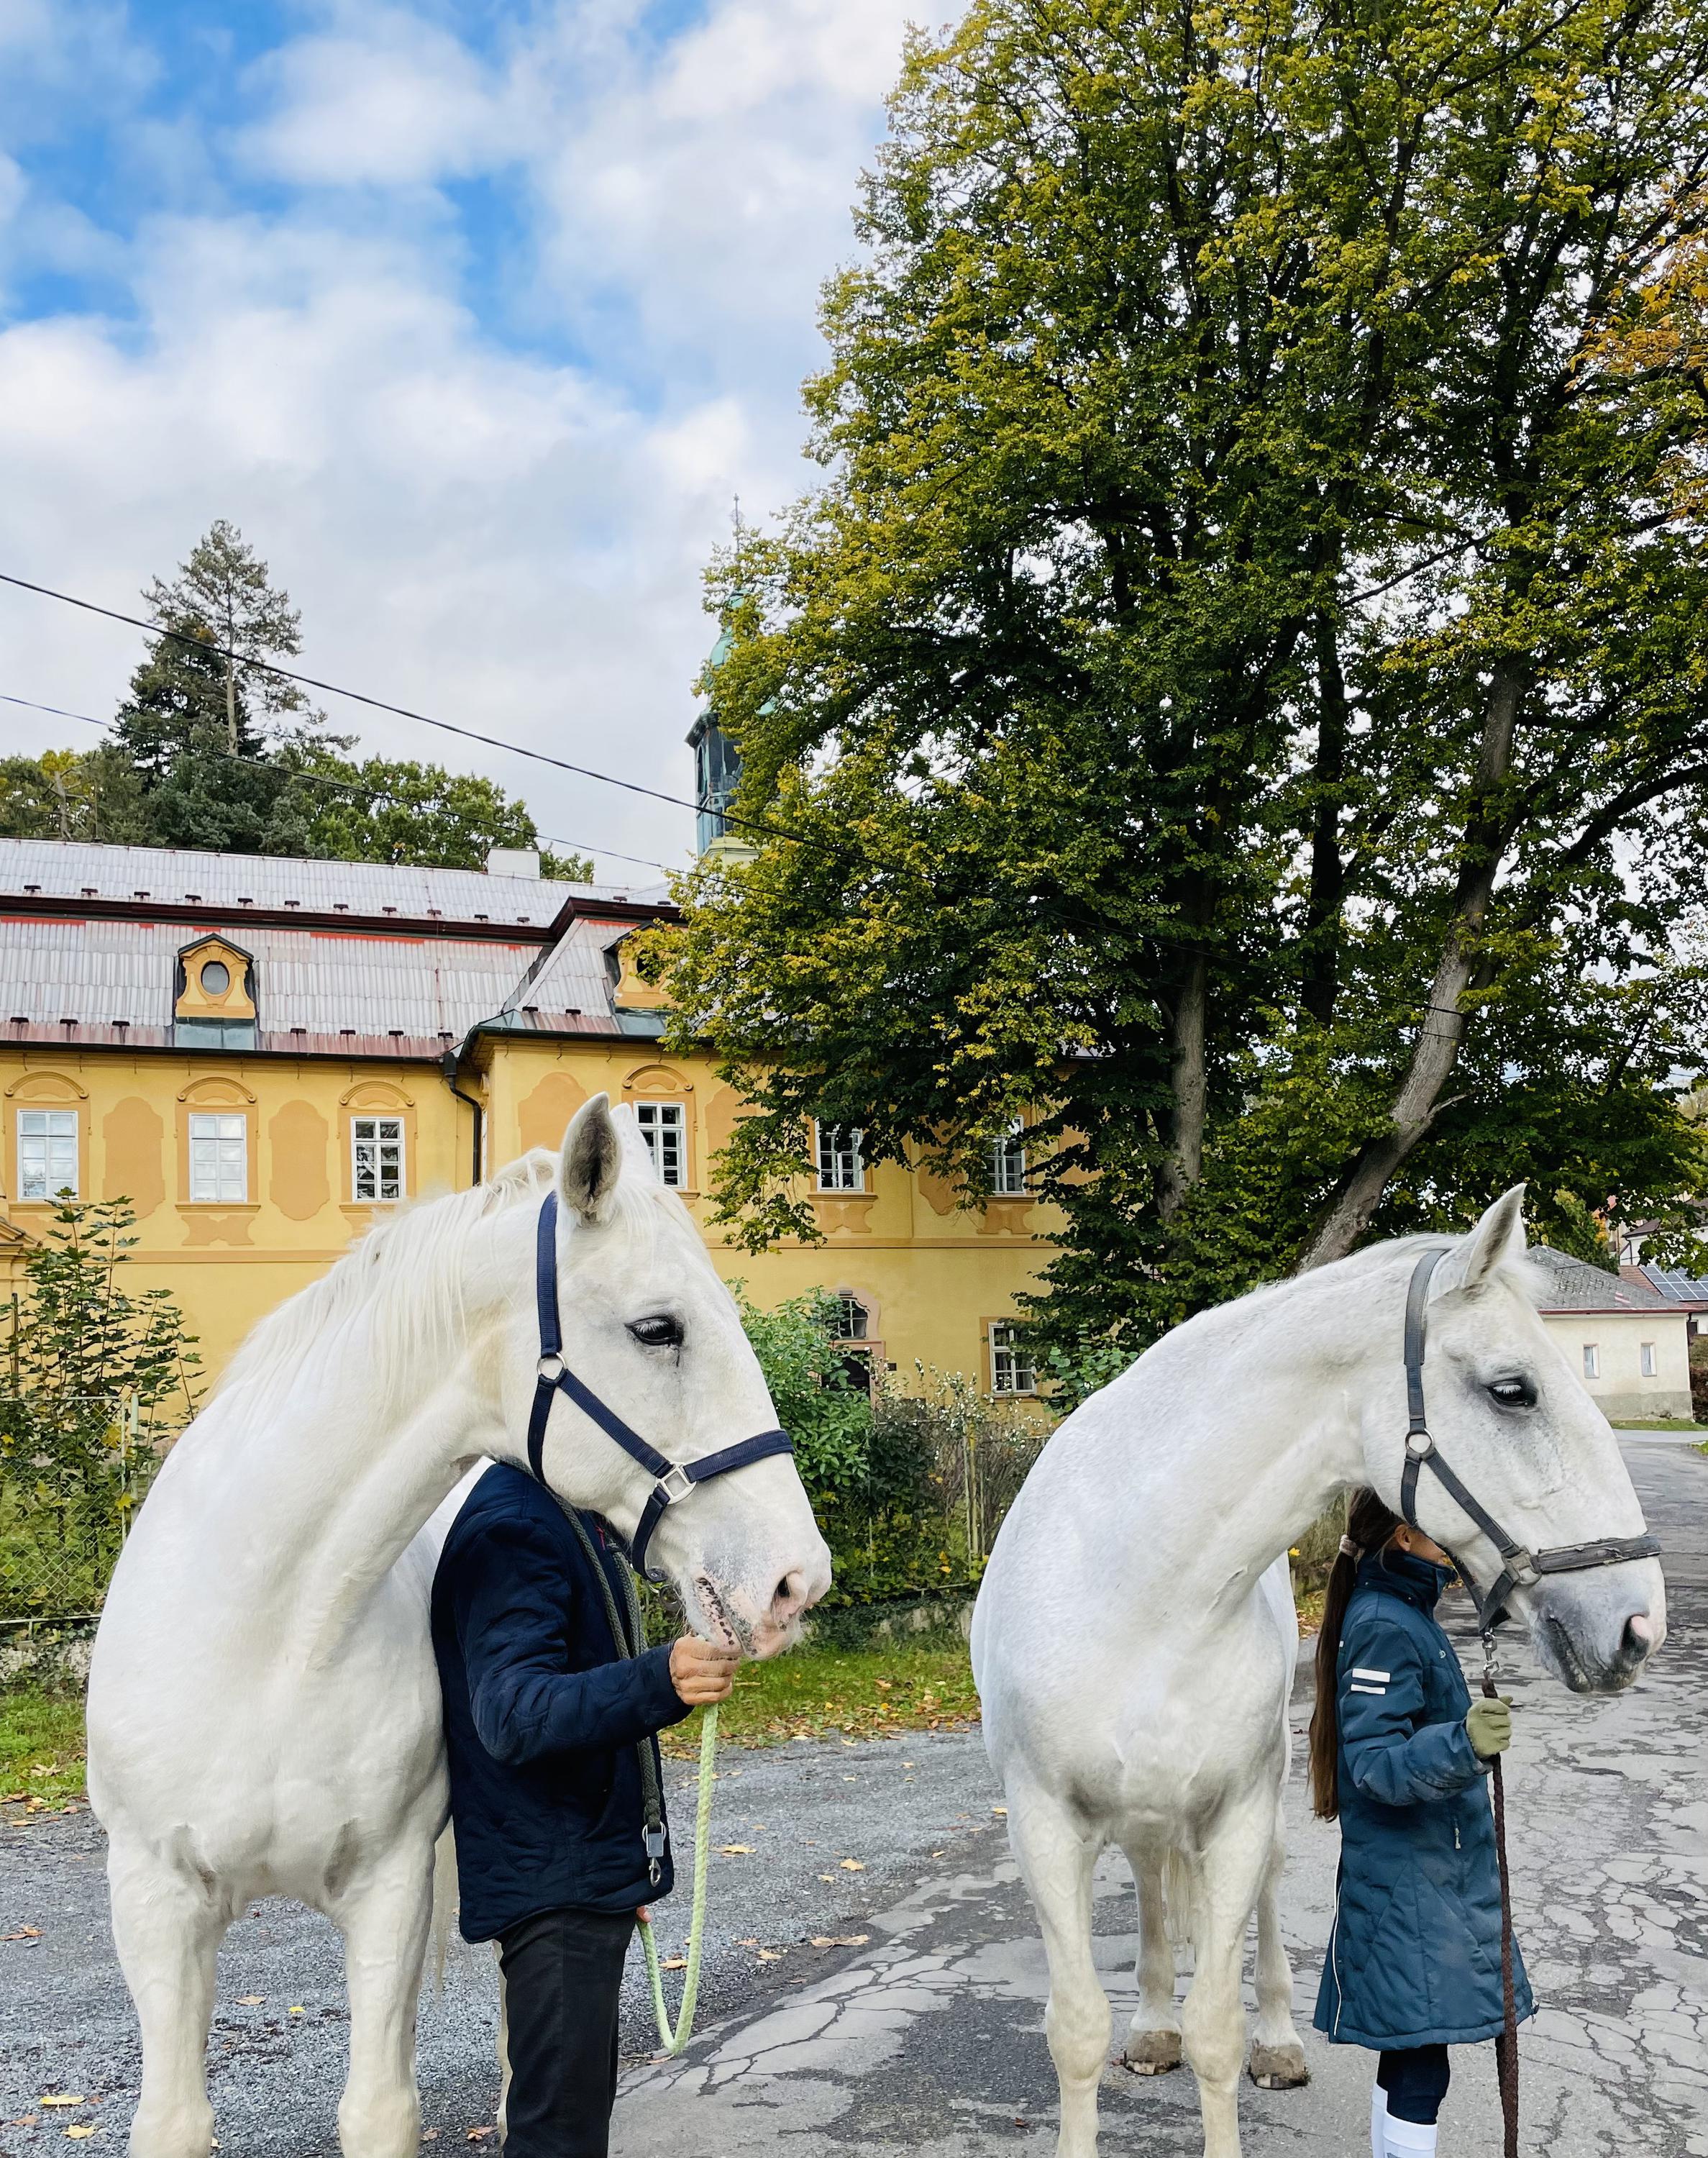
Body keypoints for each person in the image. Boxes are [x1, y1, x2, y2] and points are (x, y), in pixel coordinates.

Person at [430, 1460, 739, 2158]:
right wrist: (659, 1679)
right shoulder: (513, 1527)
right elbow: (511, 1713)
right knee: (558, 2138)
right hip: (554, 1887)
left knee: (572, 2126)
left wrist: (616, 1865)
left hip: (576, 1877)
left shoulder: (563, 1513)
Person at [1310, 1487, 1532, 2158]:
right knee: (1419, 2062)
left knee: (1410, 2050)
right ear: (1402, 1537)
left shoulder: (1403, 1609)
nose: (1457, 1545)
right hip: (1409, 1880)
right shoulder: (1385, 1620)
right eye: (1442, 1530)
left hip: (1427, 1872)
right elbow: (1374, 1764)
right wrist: (1463, 1744)